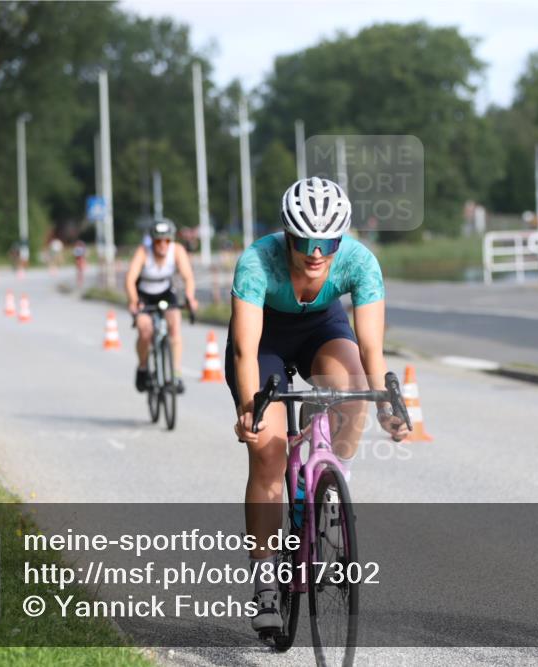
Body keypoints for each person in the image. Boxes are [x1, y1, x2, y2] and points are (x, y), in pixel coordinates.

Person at [226, 177, 410, 632]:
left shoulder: (360, 261)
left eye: (327, 240)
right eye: (305, 239)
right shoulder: (256, 263)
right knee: (268, 453)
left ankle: (332, 485)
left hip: (321, 329)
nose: (315, 251)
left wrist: (387, 403)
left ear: (340, 237)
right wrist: (250, 408)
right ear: (287, 235)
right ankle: (265, 580)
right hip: (265, 338)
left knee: (351, 389)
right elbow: (245, 352)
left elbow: (371, 349)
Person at [125, 218, 198, 394]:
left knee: (174, 327)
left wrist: (190, 297)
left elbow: (188, 277)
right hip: (144, 294)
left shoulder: (177, 250)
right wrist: (134, 300)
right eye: (158, 241)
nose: (163, 245)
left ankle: (176, 373)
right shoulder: (143, 252)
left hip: (165, 292)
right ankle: (143, 367)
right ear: (152, 241)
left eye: (167, 240)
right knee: (145, 330)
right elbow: (130, 279)